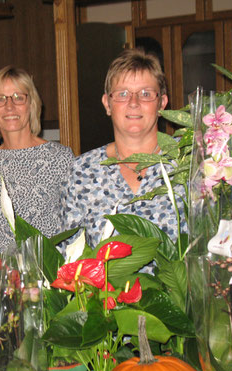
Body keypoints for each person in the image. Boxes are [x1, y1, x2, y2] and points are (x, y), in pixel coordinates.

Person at [0, 66, 74, 339]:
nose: (9, 106)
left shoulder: (60, 158)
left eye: (18, 96)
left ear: (32, 103)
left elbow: (74, 229)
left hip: (48, 289)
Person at [61, 48, 185, 248]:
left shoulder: (187, 161)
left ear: (161, 103)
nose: (134, 103)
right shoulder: (81, 171)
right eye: (122, 94)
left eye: (146, 94)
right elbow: (70, 253)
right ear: (107, 104)